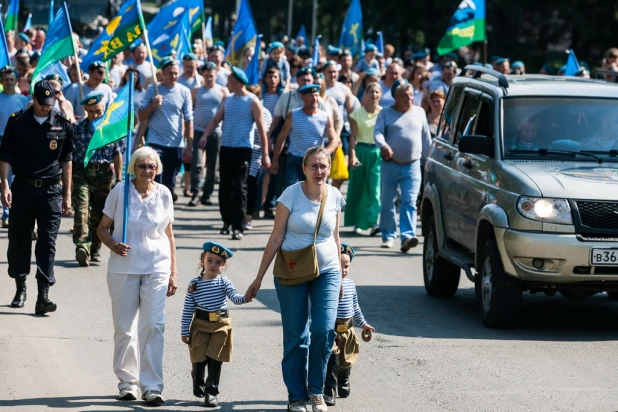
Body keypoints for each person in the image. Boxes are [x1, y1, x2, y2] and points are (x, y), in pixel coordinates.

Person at [246, 146, 345, 412]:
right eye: (313, 166)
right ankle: (296, 396)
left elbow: (336, 239)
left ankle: (316, 392)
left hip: (327, 271)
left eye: (323, 166)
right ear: (303, 168)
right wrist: (258, 278)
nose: (319, 171)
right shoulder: (290, 195)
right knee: (296, 335)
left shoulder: (335, 196)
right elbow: (276, 238)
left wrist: (343, 280)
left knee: (324, 330)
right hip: (291, 270)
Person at [96, 146, 177, 406]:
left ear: (157, 169)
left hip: (156, 267)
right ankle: (127, 383)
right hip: (123, 268)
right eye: (142, 165)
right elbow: (102, 229)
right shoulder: (120, 191)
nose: (147, 170)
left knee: (154, 325)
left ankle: (152, 386)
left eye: (152, 166)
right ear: (133, 167)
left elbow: (169, 235)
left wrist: (173, 272)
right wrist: (113, 245)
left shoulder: (164, 193)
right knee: (125, 328)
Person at [0, 80, 74, 314]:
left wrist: (68, 194)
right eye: (42, 103)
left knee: (47, 244)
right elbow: (6, 155)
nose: (45, 108)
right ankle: (20, 287)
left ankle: (43, 295)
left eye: (49, 104)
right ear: (33, 98)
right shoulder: (17, 121)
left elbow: (67, 160)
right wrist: (4, 184)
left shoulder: (62, 124)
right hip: (22, 188)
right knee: (19, 241)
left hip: (51, 191)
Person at [199, 67, 270, 240]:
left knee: (240, 188)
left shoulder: (252, 101)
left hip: (243, 150)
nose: (227, 83)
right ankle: (227, 222)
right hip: (226, 148)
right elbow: (216, 120)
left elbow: (261, 130)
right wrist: (205, 136)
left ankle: (238, 226)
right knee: (225, 187)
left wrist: (266, 154)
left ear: (237, 82)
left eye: (229, 80)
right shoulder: (228, 99)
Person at [181, 241, 250, 408]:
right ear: (202, 261)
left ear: (224, 265)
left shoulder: (224, 282)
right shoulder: (194, 284)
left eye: (218, 262)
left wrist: (246, 297)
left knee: (215, 358)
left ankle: (211, 392)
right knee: (199, 358)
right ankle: (197, 378)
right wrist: (185, 330)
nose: (213, 265)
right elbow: (188, 308)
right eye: (210, 260)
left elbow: (235, 298)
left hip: (220, 325)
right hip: (200, 325)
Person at [374, 79, 431, 251]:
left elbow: (426, 139)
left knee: (410, 201)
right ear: (395, 97)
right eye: (405, 95)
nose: (409, 98)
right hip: (390, 164)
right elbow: (377, 132)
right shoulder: (385, 113)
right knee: (387, 201)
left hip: (412, 165)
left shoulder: (420, 112)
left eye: (411, 94)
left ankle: (407, 236)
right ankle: (388, 235)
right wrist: (383, 145)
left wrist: (429, 160)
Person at [72, 93, 124, 266]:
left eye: (99, 111)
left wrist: (118, 178)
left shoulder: (111, 129)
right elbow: (69, 155)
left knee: (100, 215)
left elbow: (117, 154)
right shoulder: (78, 128)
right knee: (81, 209)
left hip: (103, 175)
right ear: (85, 111)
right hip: (82, 173)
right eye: (92, 112)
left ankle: (95, 248)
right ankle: (82, 246)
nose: (95, 115)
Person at [323, 244, 375, 407]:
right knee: (331, 360)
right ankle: (328, 389)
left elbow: (355, 307)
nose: (343, 270)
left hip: (348, 329)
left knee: (347, 360)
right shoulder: (327, 284)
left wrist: (364, 324)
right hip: (332, 329)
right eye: (339, 266)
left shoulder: (351, 284)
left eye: (346, 266)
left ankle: (343, 379)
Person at [138, 58, 194, 201]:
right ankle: (152, 214)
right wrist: (153, 104)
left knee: (169, 183)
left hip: (176, 144)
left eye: (176, 73)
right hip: (156, 142)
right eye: (170, 73)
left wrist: (189, 147)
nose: (173, 76)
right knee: (153, 180)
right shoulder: (153, 89)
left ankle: (166, 216)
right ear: (162, 73)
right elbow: (141, 115)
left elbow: (188, 120)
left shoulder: (184, 91)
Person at [271, 84, 339, 189]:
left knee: (314, 193)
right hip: (295, 160)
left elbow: (334, 140)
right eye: (311, 96)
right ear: (303, 97)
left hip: (315, 163)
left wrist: (324, 153)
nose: (315, 99)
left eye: (316, 95)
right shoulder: (293, 115)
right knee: (292, 191)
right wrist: (275, 160)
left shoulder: (325, 117)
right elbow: (282, 137)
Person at [345, 82, 382, 236]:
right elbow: (353, 136)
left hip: (377, 152)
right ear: (365, 94)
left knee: (374, 189)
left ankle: (373, 222)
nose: (374, 95)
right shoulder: (357, 114)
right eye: (371, 92)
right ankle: (359, 222)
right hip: (360, 150)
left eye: (377, 92)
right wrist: (352, 155)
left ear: (380, 95)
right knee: (359, 187)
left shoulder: (383, 113)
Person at [189, 62, 228, 207]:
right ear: (202, 76)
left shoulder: (223, 91)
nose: (208, 78)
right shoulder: (196, 90)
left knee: (212, 165)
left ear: (216, 75)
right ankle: (195, 193)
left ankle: (207, 194)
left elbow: (227, 111)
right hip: (198, 130)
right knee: (197, 163)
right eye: (206, 76)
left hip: (215, 132)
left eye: (211, 76)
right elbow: (189, 110)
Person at [0, 67, 29, 228]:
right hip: (0, 141)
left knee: (9, 180)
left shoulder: (22, 101)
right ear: (2, 81)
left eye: (12, 79)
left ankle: (7, 214)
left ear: (16, 81)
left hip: (16, 144)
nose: (9, 82)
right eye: (6, 79)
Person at [245, 84, 272, 230]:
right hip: (240, 151)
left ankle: (248, 216)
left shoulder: (265, 113)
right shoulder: (240, 110)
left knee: (250, 185)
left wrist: (265, 155)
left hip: (256, 155)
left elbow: (266, 135)